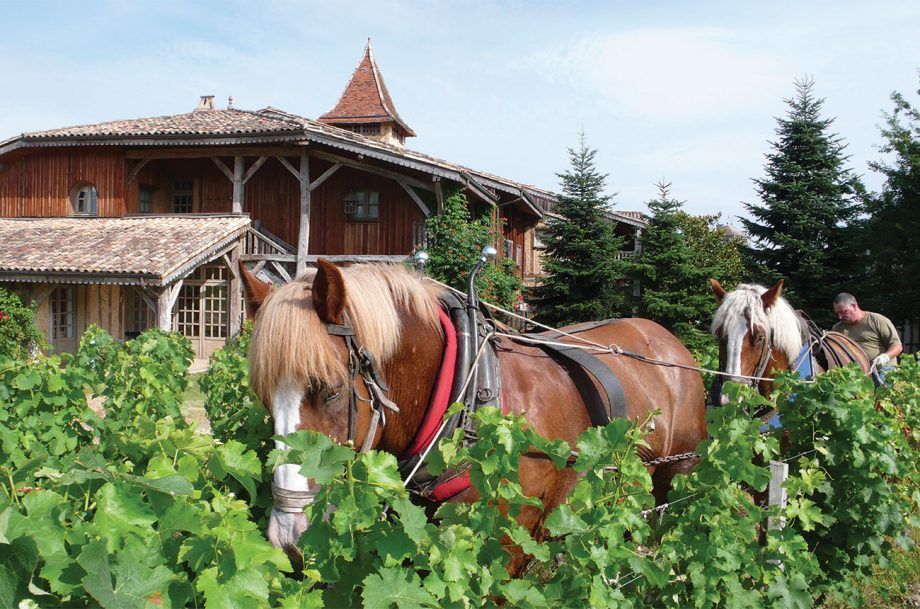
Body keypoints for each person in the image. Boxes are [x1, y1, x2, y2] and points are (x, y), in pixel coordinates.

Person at [832, 293, 903, 384]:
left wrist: (885, 357)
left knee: (883, 391)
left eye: (843, 312)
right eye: (838, 313)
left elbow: (897, 346)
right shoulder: (838, 328)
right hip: (854, 374)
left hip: (882, 369)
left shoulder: (877, 320)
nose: (840, 317)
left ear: (853, 306)